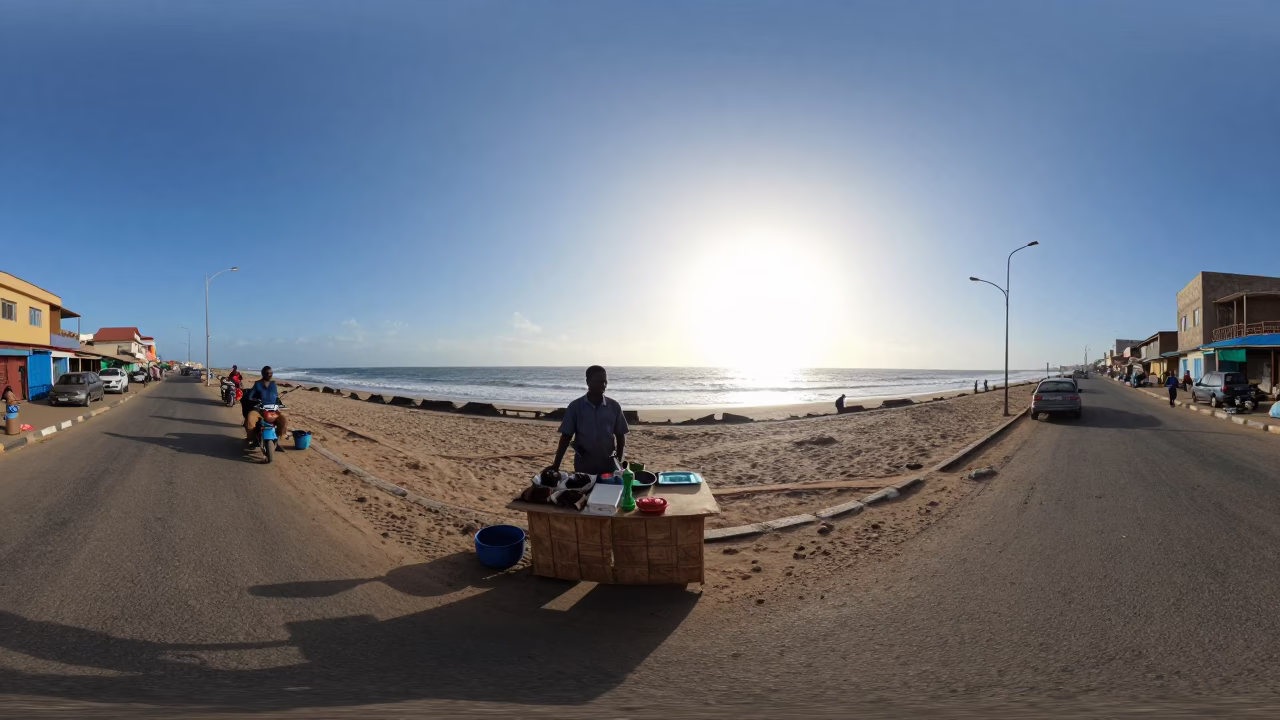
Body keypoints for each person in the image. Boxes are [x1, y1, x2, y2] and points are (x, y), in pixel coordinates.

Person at [547, 365, 628, 476]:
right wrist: (556, 465)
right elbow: (566, 437)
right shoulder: (575, 407)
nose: (603, 385)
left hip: (609, 467)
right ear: (588, 381)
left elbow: (620, 436)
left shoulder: (614, 406)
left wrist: (619, 462)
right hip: (584, 468)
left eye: (605, 382)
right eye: (599, 382)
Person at [244, 365, 290, 444]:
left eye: (271, 373)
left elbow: (276, 397)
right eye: (267, 373)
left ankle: (281, 435)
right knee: (250, 418)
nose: (269, 375)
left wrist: (279, 403)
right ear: (263, 374)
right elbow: (250, 396)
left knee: (283, 420)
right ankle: (251, 437)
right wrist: (253, 400)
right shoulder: (257, 384)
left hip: (273, 410)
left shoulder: (273, 384)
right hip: (260, 410)